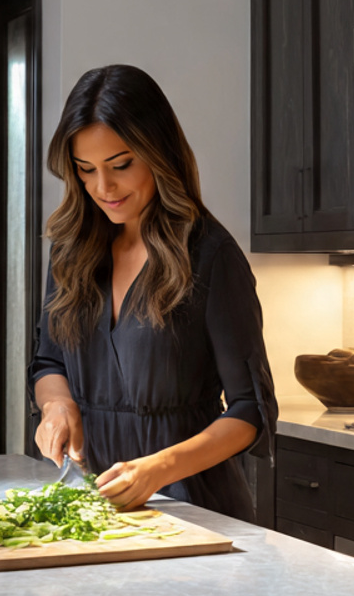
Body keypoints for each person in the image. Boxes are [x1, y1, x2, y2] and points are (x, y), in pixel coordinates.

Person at [29, 64, 276, 522]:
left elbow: (251, 410)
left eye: (121, 165)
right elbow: (49, 362)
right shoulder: (70, 249)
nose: (103, 188)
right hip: (95, 505)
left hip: (196, 506)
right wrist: (57, 405)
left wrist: (158, 469)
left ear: (158, 154)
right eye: (86, 170)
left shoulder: (211, 255)